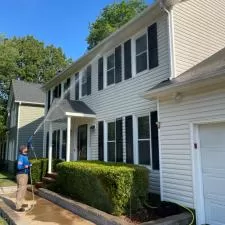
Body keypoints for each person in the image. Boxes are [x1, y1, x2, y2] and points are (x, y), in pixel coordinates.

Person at [15, 145, 31, 212]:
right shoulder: (21, 157)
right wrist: (26, 166)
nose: (27, 149)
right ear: (23, 150)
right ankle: (18, 207)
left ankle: (21, 203)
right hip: (21, 175)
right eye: (26, 148)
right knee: (20, 190)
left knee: (24, 190)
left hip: (25, 175)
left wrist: (29, 164)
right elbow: (19, 167)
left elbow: (26, 164)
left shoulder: (25, 156)